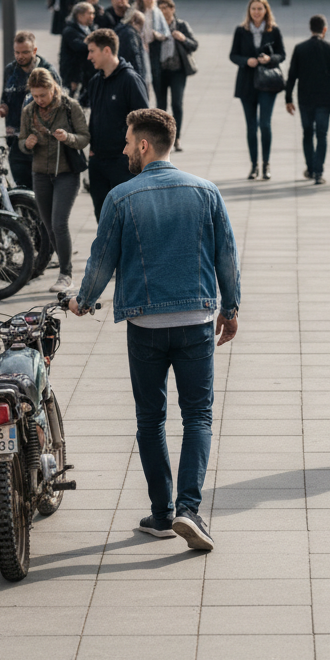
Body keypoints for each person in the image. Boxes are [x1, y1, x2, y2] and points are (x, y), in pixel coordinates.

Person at [70, 108, 240, 552]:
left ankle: (163, 514)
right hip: (197, 322)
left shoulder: (121, 197)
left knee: (151, 419)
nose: (124, 148)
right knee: (198, 415)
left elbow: (101, 258)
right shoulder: (206, 191)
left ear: (144, 145)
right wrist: (231, 307)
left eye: (128, 141)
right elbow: (226, 256)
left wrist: (83, 301)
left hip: (145, 325)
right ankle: (189, 509)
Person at [19, 68, 90, 294]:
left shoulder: (69, 107)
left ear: (53, 88)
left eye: (43, 95)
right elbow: (20, 141)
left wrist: (68, 137)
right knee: (49, 226)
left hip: (66, 174)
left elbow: (85, 138)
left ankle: (66, 273)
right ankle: (63, 269)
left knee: (59, 223)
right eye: (35, 95)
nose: (39, 100)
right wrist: (27, 143)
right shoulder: (29, 111)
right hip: (40, 173)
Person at [83, 28, 150, 219]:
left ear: (106, 50)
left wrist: (133, 152)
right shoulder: (95, 81)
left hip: (123, 162)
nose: (89, 57)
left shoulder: (130, 80)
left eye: (92, 51)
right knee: (103, 218)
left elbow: (143, 121)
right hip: (98, 162)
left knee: (128, 217)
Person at [285, 14, 330, 186]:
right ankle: (319, 172)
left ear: (310, 28)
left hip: (305, 98)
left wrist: (288, 98)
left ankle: (310, 168)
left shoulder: (300, 48)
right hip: (325, 99)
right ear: (324, 29)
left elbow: (292, 76)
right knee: (322, 134)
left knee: (307, 133)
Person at [229, 0, 286, 181]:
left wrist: (270, 59)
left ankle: (266, 164)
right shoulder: (241, 30)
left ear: (266, 10)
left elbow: (282, 54)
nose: (256, 12)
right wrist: (247, 61)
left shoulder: (274, 30)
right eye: (253, 9)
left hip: (268, 83)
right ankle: (254, 165)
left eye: (260, 9)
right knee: (251, 126)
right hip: (247, 82)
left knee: (265, 124)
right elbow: (233, 55)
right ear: (249, 11)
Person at [0, 32, 60, 189]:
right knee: (22, 191)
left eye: (25, 52)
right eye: (17, 52)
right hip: (16, 142)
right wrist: (3, 107)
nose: (20, 56)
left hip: (41, 145)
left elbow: (60, 104)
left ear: (34, 50)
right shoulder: (10, 71)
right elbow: (5, 96)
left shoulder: (47, 71)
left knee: (43, 192)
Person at [156, 0, 198, 153]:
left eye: (165, 8)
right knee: (160, 106)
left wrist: (183, 39)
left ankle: (177, 137)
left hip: (177, 72)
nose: (163, 11)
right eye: (160, 8)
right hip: (160, 71)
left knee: (177, 104)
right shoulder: (156, 26)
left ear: (172, 9)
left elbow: (194, 45)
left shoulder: (181, 25)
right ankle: (161, 139)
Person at [134, 0, 171, 103]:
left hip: (154, 48)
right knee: (142, 78)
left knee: (156, 78)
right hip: (139, 49)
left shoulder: (157, 12)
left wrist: (157, 35)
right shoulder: (135, 11)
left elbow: (166, 33)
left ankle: (159, 107)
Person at [59, 3, 97, 100]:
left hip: (86, 73)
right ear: (80, 16)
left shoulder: (91, 29)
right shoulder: (70, 31)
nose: (93, 16)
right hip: (74, 74)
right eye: (90, 13)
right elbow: (79, 46)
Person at [118, 9, 151, 86]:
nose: (140, 30)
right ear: (134, 21)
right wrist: (140, 77)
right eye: (140, 25)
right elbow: (135, 55)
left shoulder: (120, 30)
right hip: (131, 75)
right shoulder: (131, 34)